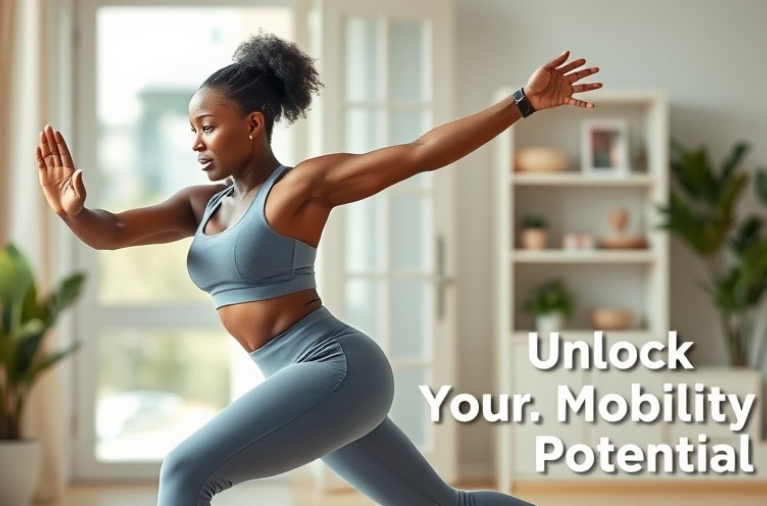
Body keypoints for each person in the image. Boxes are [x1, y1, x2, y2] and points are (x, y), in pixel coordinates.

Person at [36, 33, 600, 506]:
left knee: (184, 469)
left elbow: (421, 151)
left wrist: (522, 102)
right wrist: (74, 212)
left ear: (253, 124)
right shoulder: (198, 205)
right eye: (191, 130)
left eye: (207, 127)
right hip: (299, 382)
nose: (195, 143)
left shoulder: (298, 188)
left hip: (335, 367)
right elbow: (110, 234)